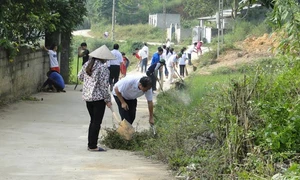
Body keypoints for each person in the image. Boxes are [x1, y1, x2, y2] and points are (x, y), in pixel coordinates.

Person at [78, 45, 116, 152]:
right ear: (103, 58)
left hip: (88, 97)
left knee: (93, 121)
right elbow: (104, 86)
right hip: (98, 99)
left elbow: (80, 76)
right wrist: (108, 100)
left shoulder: (87, 64)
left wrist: (89, 82)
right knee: (96, 122)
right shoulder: (103, 68)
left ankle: (91, 144)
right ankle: (93, 146)